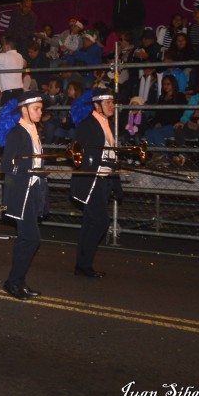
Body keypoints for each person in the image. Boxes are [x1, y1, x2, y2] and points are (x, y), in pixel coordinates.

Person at [0, 94, 48, 299]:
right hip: (21, 192)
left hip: (33, 190)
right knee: (31, 238)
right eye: (36, 108)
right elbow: (6, 165)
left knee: (24, 240)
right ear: (24, 109)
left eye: (40, 108)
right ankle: (13, 281)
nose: (40, 112)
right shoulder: (16, 133)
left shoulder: (33, 130)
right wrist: (28, 171)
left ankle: (17, 282)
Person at [70, 88, 123, 278]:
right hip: (91, 181)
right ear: (97, 105)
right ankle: (84, 265)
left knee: (90, 222)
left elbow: (111, 154)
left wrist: (116, 184)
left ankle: (82, 265)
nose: (112, 105)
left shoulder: (107, 124)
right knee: (101, 222)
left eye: (112, 102)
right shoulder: (87, 125)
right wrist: (99, 162)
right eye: (108, 102)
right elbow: (80, 154)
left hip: (104, 180)